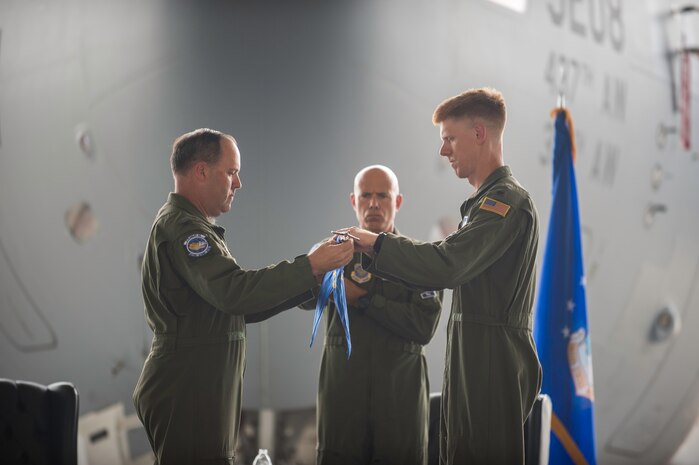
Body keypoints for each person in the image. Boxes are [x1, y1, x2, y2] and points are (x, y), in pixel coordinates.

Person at [342, 88, 542, 464]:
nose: (443, 151)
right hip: (473, 359)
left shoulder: (506, 203)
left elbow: (447, 265)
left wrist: (375, 245)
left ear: (479, 134)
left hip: (492, 362)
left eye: (450, 138)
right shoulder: (482, 205)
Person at [132, 128, 354, 465]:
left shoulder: (195, 226)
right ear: (201, 171)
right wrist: (309, 265)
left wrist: (314, 279)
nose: (238, 184)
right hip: (188, 388)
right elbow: (236, 294)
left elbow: (236, 309)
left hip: (196, 386)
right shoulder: (185, 230)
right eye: (232, 172)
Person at [301, 165, 442, 465]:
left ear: (398, 201)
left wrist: (364, 299)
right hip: (343, 416)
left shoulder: (419, 260)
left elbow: (423, 327)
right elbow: (299, 298)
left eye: (383, 195)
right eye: (366, 195)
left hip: (399, 417)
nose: (374, 203)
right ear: (354, 201)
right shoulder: (334, 255)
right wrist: (315, 268)